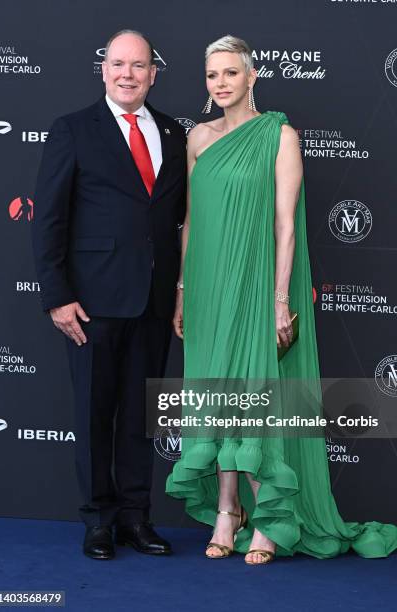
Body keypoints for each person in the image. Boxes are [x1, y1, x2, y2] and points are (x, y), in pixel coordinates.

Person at [166, 35, 397, 564]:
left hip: (256, 285)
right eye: (211, 75)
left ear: (252, 76)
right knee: (215, 393)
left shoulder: (280, 136)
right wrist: (181, 290)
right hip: (205, 287)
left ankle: (268, 516)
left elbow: (286, 226)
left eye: (230, 73)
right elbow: (191, 224)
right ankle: (228, 510)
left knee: (256, 396)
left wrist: (278, 300)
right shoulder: (198, 137)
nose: (220, 83)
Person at [32, 29, 186, 560]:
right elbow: (48, 219)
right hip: (91, 304)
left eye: (139, 65)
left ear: (153, 73)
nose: (128, 74)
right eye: (119, 64)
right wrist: (56, 294)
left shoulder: (172, 131)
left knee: (142, 415)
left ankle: (136, 519)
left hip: (154, 300)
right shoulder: (73, 130)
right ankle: (99, 521)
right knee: (95, 414)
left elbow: (176, 220)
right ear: (103, 70)